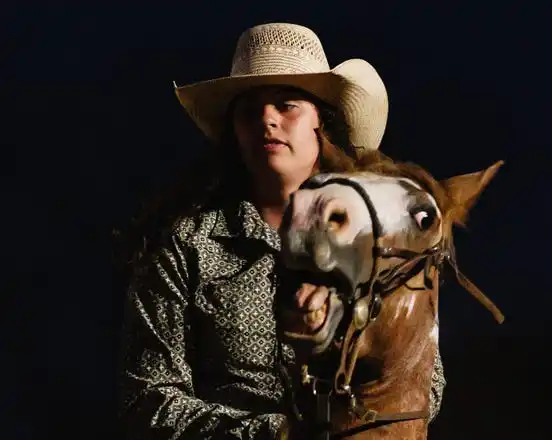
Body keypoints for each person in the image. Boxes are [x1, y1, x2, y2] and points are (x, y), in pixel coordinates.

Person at [116, 22, 446, 439]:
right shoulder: (186, 246)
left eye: (287, 105)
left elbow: (424, 381)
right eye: (250, 111)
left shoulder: (378, 246)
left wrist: (357, 424)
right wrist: (278, 433)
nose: (267, 120)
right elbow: (148, 399)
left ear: (320, 126)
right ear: (234, 132)